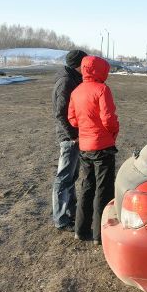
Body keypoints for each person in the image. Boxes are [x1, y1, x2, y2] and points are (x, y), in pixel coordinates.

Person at [68, 55, 120, 245]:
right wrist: (114, 131)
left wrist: (85, 127)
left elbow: (72, 119)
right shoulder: (102, 89)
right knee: (104, 191)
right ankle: (100, 234)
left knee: (86, 187)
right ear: (100, 70)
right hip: (103, 146)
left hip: (85, 146)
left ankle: (80, 230)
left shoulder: (76, 91)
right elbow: (108, 119)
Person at [51, 49, 87, 232]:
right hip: (69, 138)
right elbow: (60, 113)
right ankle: (60, 218)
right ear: (78, 65)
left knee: (71, 176)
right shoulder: (66, 81)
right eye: (85, 63)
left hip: (74, 136)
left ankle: (71, 212)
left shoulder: (72, 78)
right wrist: (72, 136)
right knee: (64, 178)